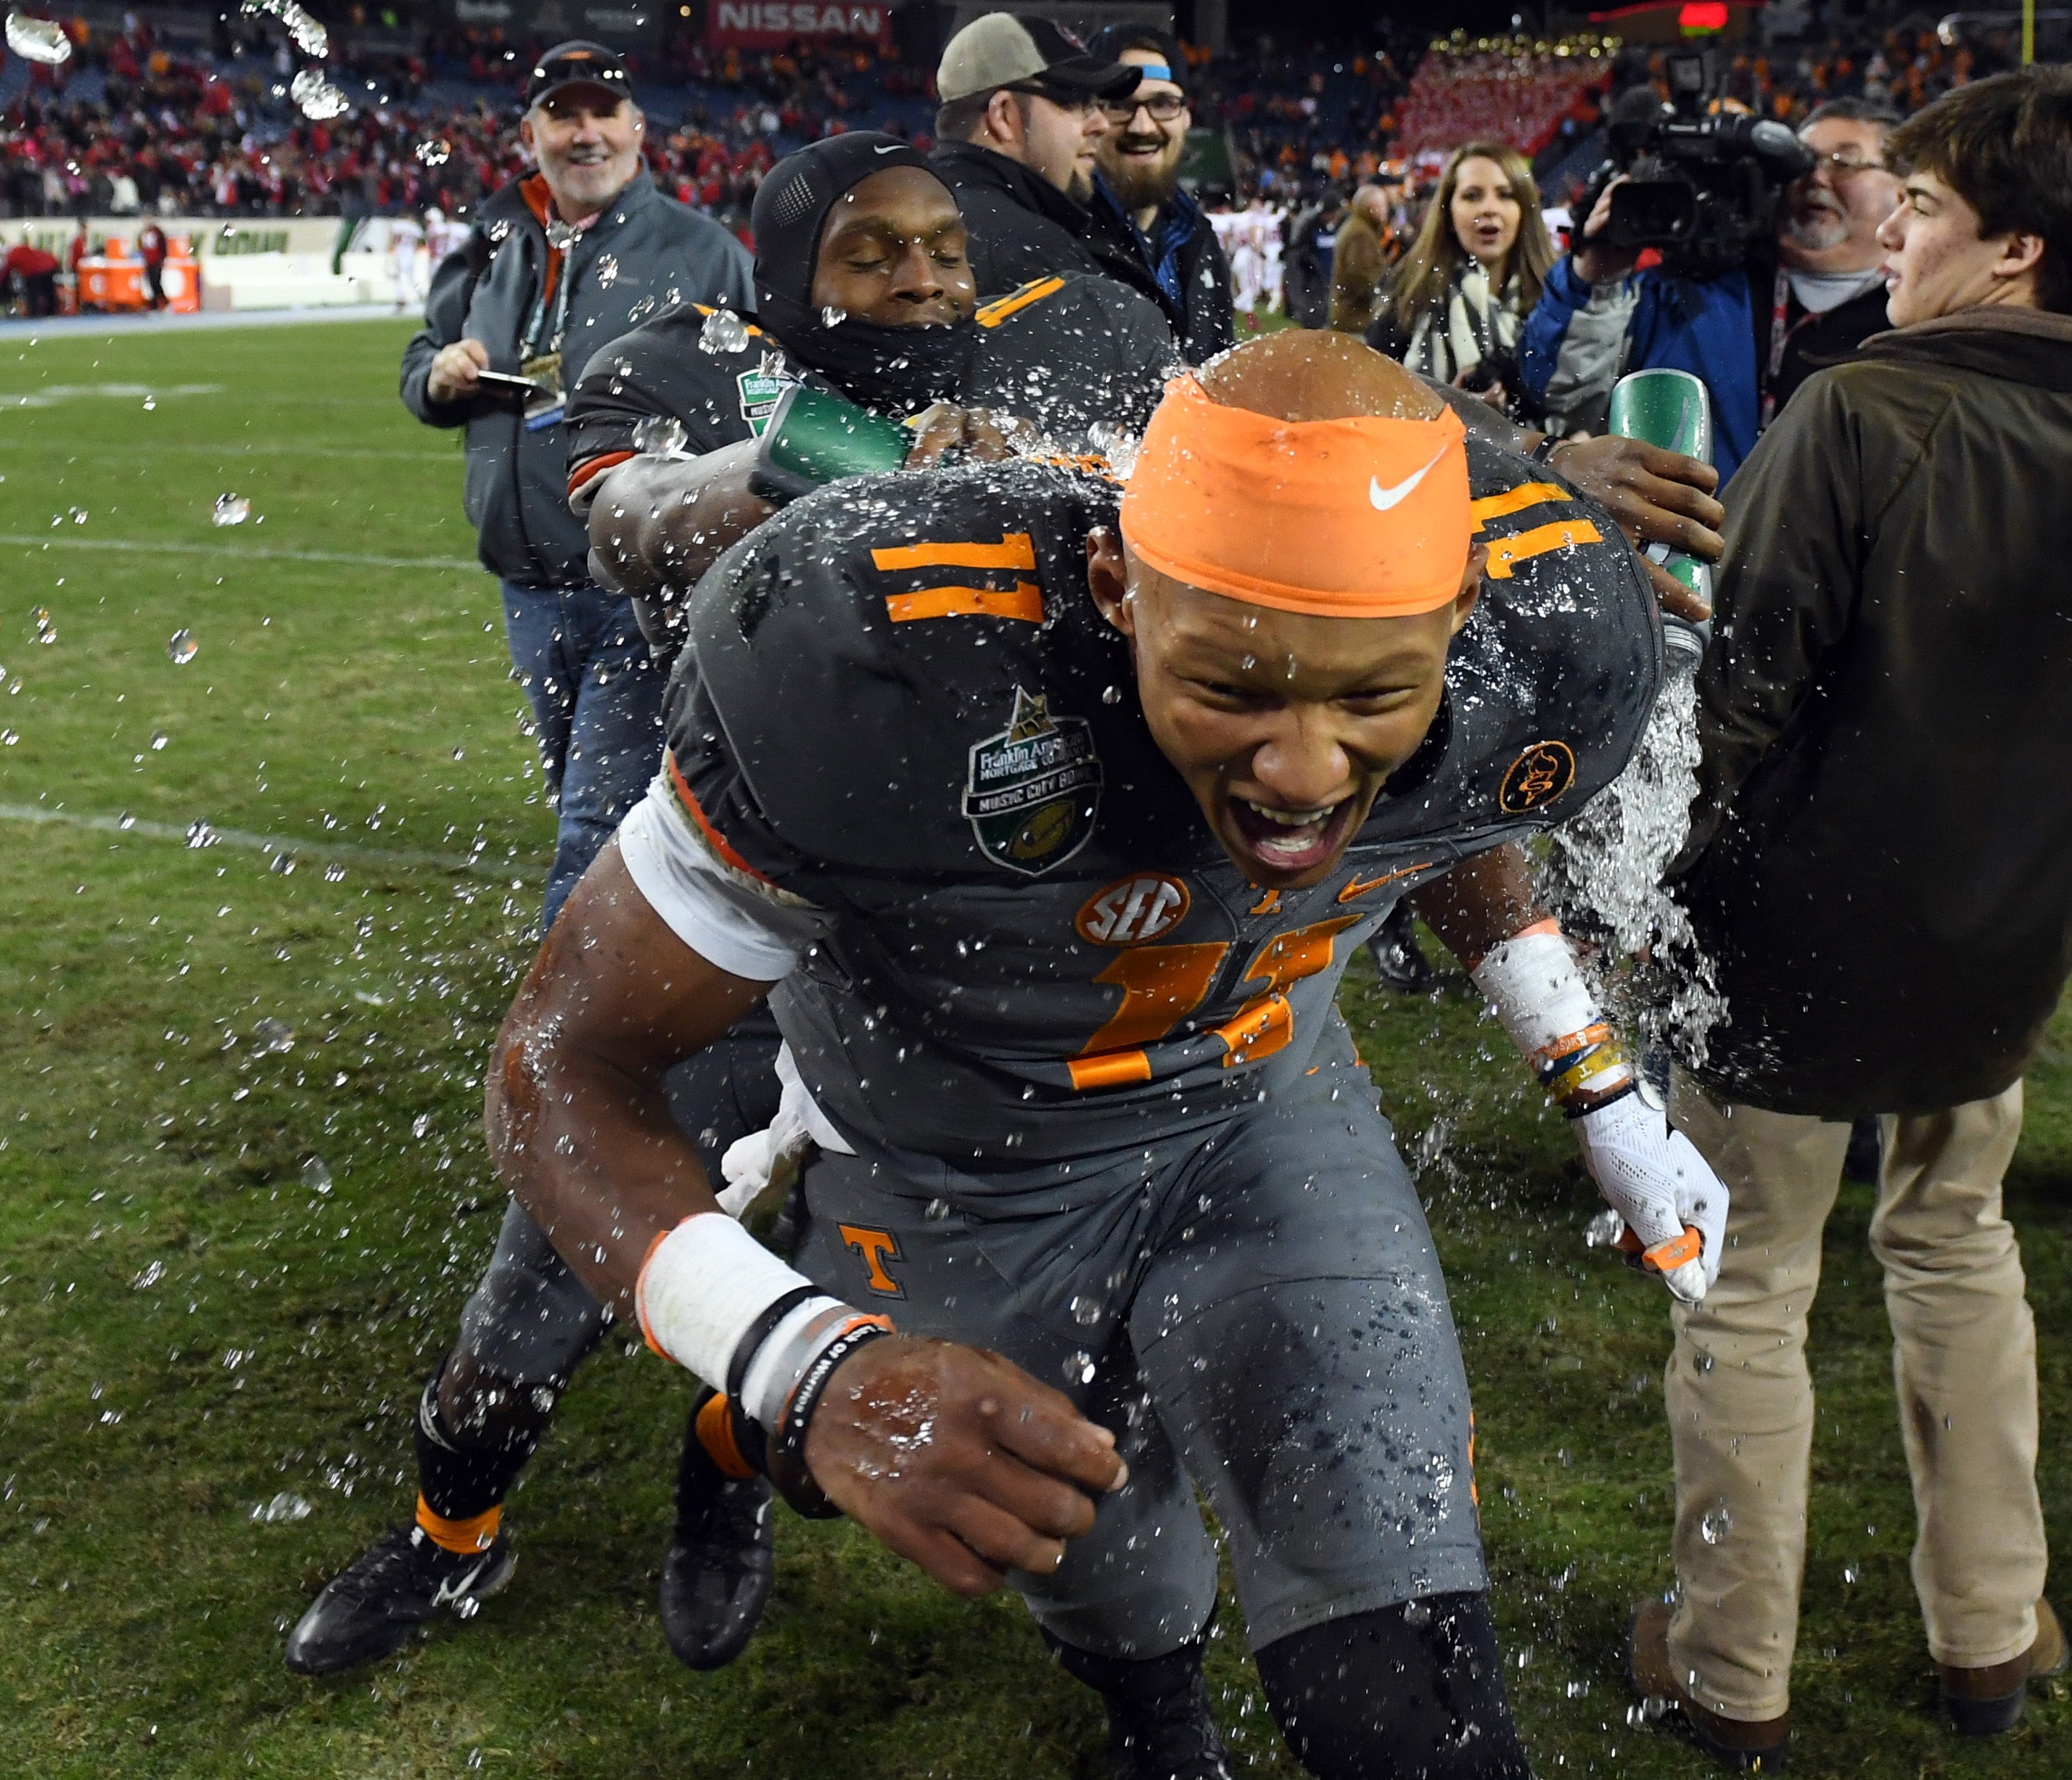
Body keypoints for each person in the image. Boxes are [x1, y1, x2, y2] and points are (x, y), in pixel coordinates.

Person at [482, 329, 1732, 1779]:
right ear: (1115, 587)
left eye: (1369, 697)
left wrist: (1595, 1078)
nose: (1304, 772)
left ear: (1456, 618)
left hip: (1261, 1121)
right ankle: (1146, 1711)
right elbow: (560, 1067)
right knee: (1096, 1557)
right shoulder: (874, 644)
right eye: (1239, 689)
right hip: (960, 1162)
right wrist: (799, 1365)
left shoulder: (1551, 629)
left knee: (1402, 1647)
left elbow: (1446, 812)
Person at [287, 41, 759, 1682]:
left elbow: (743, 391)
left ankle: (585, 1060)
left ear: (639, 126)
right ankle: (594, 1036)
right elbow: (424, 365)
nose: (585, 131)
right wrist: (447, 376)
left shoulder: (701, 251)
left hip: (647, 595)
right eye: (562, 113)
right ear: (534, 133)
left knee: (609, 849)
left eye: (607, 109)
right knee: (594, 819)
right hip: (536, 583)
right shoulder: (491, 244)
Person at [1629, 67, 2072, 1770]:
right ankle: (1991, 1627)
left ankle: (1730, 1663)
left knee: (1747, 1285)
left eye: (1932, 211)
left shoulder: (1872, 409)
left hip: (1792, 931)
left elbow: (1732, 704)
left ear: (2016, 249)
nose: (1894, 231)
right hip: (2003, 937)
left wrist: (1652, 878)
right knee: (1960, 1243)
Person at [567, 133, 1177, 654]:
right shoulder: (689, 363)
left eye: (947, 253)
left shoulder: (1073, 327)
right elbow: (627, 527)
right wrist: (846, 456)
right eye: (865, 259)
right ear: (792, 277)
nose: (923, 281)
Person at [1521, 94, 1899, 479]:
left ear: (1902, 191)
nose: (1815, 177)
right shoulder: (1683, 290)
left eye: (1844, 162)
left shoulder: (1914, 322)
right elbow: (1556, 392)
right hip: (1685, 534)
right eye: (1800, 161)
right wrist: (1595, 278)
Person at [926, 12, 1146, 299]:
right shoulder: (1036, 255)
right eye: (1074, 101)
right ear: (1003, 115)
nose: (1101, 125)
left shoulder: (917, 217)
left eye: (1098, 104)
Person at [1368, 141, 1557, 421]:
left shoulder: (1557, 299)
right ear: (1448, 211)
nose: (1489, 208)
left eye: (1506, 195)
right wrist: (1445, 411)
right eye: (1472, 196)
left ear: (1525, 209)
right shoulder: (1409, 294)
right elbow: (1372, 400)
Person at [1084, 25, 1235, 364]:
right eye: (1120, 104)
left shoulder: (1200, 240)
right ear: (1089, 117)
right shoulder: (1059, 240)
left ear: (1185, 119)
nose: (1143, 127)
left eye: (1162, 104)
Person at [1327, 182, 1391, 334]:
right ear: (1371, 207)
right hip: (1355, 319)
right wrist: (1384, 297)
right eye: (1383, 205)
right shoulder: (1360, 234)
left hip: (1351, 315)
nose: (1386, 210)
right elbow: (1361, 277)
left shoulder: (1360, 228)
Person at [4, 228, 59, 316]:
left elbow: (6, 272)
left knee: (33, 294)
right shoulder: (21, 249)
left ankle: (34, 314)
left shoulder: (12, 256)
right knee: (50, 292)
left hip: (34, 273)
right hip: (49, 267)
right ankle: (53, 313)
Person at [136, 215, 167, 310]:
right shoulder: (143, 233)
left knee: (156, 282)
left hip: (156, 261)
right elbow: (141, 246)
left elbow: (163, 246)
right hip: (148, 262)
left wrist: (162, 259)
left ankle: (163, 302)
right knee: (151, 283)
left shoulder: (158, 232)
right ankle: (155, 304)